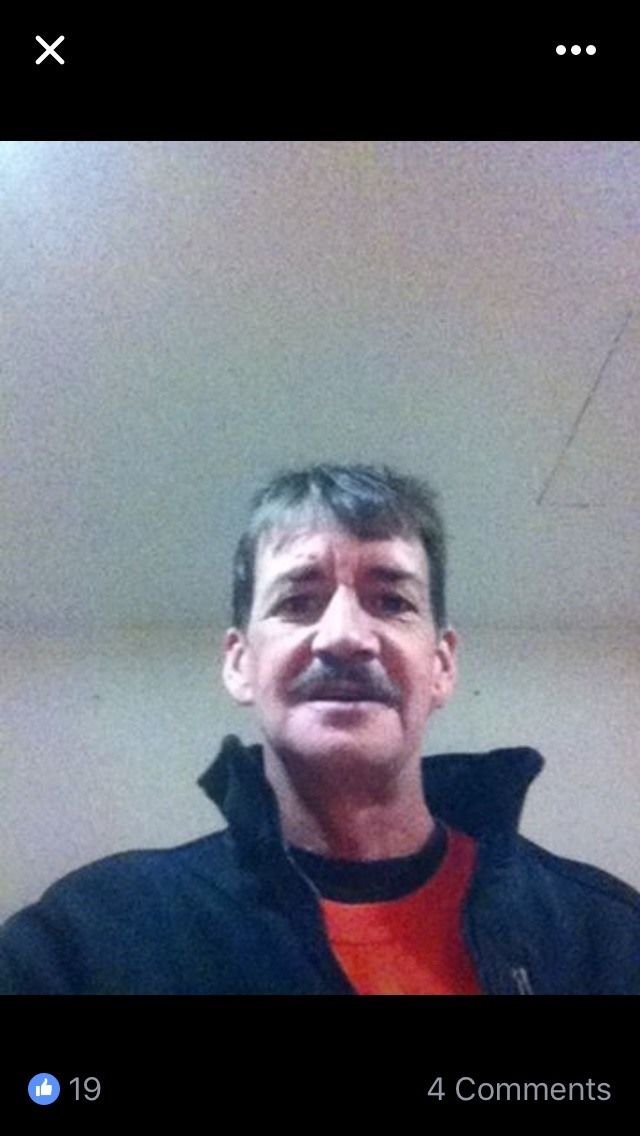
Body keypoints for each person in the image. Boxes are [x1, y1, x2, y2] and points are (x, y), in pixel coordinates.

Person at [1, 463, 638, 994]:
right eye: (297, 602)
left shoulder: (608, 937)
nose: (343, 637)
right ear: (240, 663)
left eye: (391, 601)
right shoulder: (84, 941)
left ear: (441, 666)